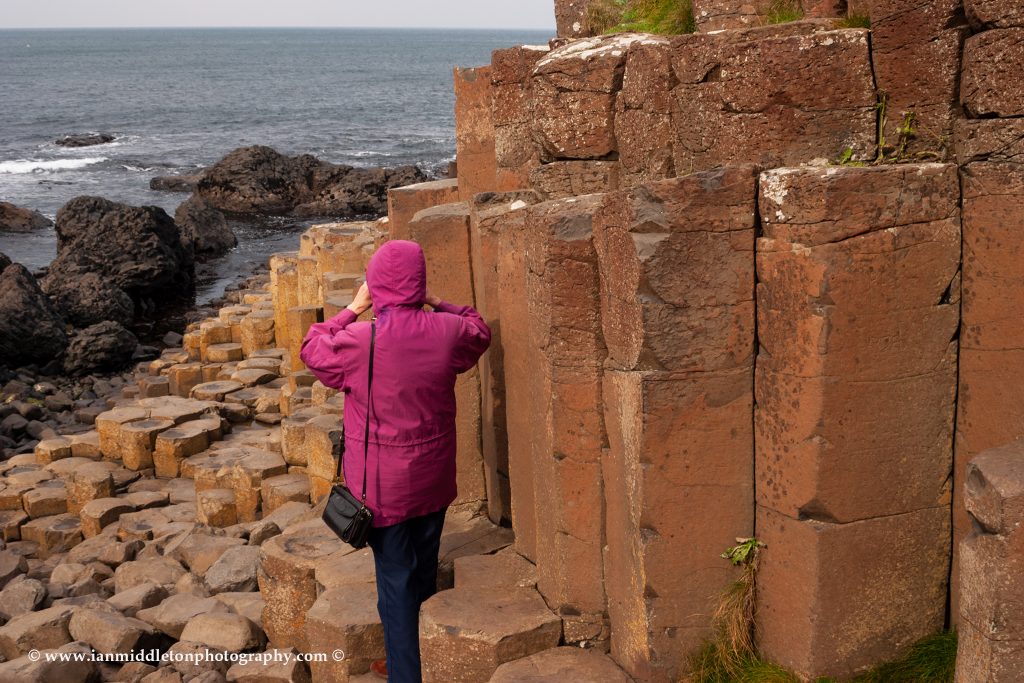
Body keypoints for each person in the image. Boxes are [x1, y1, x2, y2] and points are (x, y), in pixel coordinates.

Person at [300, 240, 491, 683]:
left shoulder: (358, 341)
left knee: (396, 586)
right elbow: (478, 328)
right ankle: (424, 655)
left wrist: (353, 307)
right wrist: (436, 300)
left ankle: (407, 672)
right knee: (423, 570)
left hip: (382, 490)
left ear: (376, 285)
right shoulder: (446, 332)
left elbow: (312, 348)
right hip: (434, 478)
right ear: (418, 284)